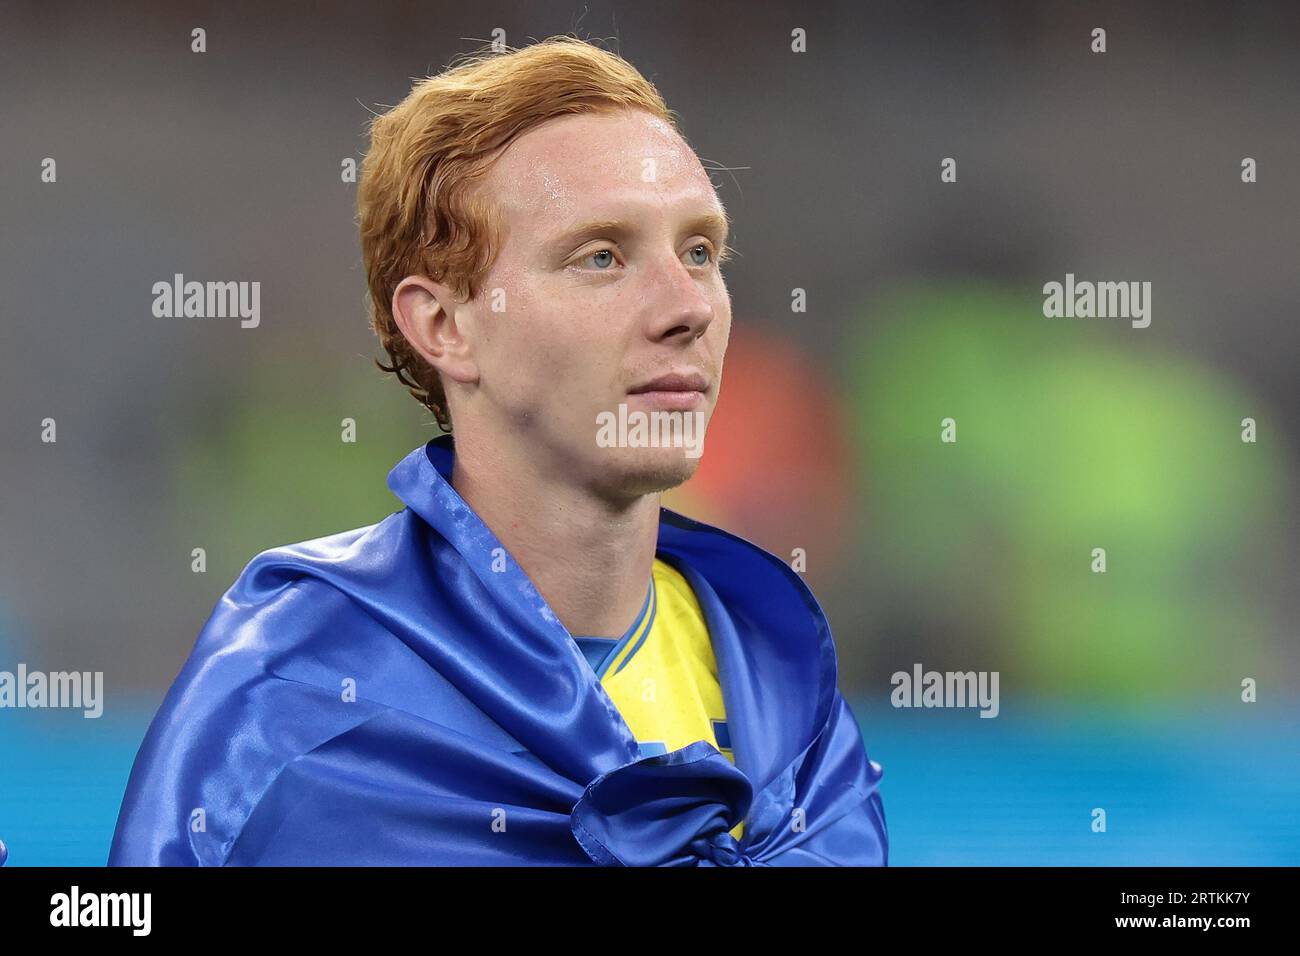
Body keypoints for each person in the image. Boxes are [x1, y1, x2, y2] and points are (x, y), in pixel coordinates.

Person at [108, 35, 887, 866]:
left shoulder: (785, 688)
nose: (687, 306)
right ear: (444, 326)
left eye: (700, 251)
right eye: (602, 257)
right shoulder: (288, 689)